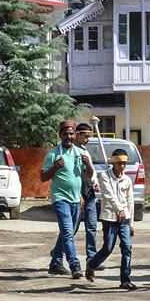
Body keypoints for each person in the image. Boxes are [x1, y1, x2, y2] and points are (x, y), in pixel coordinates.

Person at [41, 120, 91, 279]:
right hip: (60, 198)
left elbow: (88, 175)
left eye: (71, 134)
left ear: (75, 134)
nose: (68, 137)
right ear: (60, 135)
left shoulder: (79, 153)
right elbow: (43, 177)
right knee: (68, 232)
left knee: (68, 232)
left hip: (76, 200)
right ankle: (75, 264)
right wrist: (55, 167)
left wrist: (88, 164)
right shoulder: (54, 154)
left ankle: (55, 263)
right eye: (65, 134)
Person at [86, 148, 136, 290]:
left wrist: (130, 222)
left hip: (124, 219)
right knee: (108, 247)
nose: (122, 166)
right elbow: (108, 195)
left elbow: (130, 201)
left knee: (127, 248)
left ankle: (125, 279)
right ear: (113, 163)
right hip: (109, 217)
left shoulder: (126, 180)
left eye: (124, 163)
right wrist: (119, 209)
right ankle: (92, 264)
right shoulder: (105, 176)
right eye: (119, 163)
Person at [73, 123, 101, 264]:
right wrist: (77, 194)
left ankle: (92, 258)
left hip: (89, 193)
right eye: (86, 136)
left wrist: (95, 181)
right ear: (77, 134)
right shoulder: (70, 151)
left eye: (90, 136)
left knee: (92, 227)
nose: (88, 139)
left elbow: (91, 170)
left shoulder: (85, 151)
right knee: (72, 228)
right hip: (76, 195)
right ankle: (58, 252)